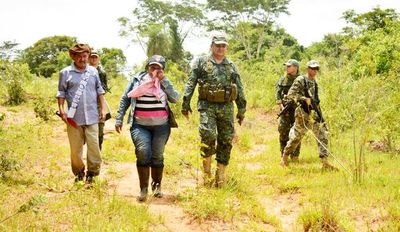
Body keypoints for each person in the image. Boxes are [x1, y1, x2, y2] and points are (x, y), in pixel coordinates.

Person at [181, 34, 247, 187]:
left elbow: (239, 88)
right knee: (208, 135)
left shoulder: (231, 65)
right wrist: (186, 104)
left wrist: (241, 109)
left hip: (226, 107)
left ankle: (221, 176)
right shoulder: (201, 62)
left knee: (226, 140)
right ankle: (207, 175)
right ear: (211, 46)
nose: (220, 48)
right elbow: (191, 83)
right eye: (218, 45)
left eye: (223, 45)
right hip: (207, 106)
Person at [115, 55, 180, 201]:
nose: (155, 70)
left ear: (163, 69)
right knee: (143, 152)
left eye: (158, 67)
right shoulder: (137, 80)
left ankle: (157, 186)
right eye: (152, 66)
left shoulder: (164, 81)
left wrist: (164, 81)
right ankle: (143, 189)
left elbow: (175, 98)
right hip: (140, 125)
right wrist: (119, 118)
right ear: (147, 67)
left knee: (157, 155)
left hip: (161, 126)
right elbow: (125, 98)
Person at [56, 43, 106, 183]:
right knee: (75, 149)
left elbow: (99, 91)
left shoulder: (93, 72)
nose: (83, 59)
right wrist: (61, 110)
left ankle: (92, 173)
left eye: (85, 56)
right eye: (79, 57)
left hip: (92, 116)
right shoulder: (65, 73)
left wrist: (102, 108)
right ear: (73, 57)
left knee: (94, 146)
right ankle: (79, 173)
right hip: (73, 118)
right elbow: (61, 93)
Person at [280, 60, 336, 170]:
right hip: (302, 113)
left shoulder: (314, 82)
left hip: (313, 113)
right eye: (312, 68)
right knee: (296, 138)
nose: (314, 71)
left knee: (322, 135)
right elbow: (290, 95)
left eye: (316, 69)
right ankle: (285, 157)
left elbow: (316, 99)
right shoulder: (301, 80)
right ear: (307, 69)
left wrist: (319, 114)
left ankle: (325, 162)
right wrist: (304, 99)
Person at [275, 59, 301, 162]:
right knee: (283, 132)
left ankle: (295, 156)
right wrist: (281, 107)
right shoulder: (282, 80)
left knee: (297, 134)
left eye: (289, 66)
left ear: (295, 67)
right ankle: (283, 154)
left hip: (297, 111)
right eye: (286, 66)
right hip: (285, 111)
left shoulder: (301, 80)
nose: (287, 68)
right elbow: (277, 96)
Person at [89, 51, 110, 150]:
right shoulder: (84, 70)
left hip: (98, 102)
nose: (93, 59)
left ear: (98, 59)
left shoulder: (101, 72)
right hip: (86, 102)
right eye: (92, 57)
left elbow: (105, 88)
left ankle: (98, 152)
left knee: (100, 129)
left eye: (95, 57)